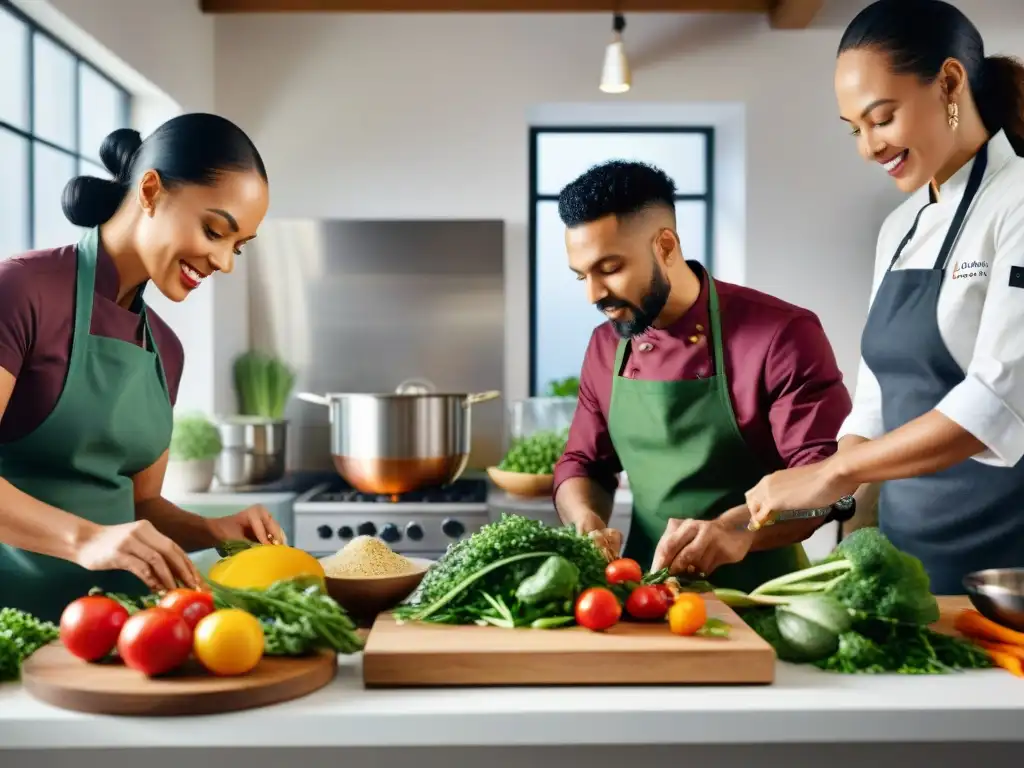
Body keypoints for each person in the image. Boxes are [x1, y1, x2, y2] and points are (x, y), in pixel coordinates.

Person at [745, 0, 1024, 595]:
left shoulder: (1018, 201)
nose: (868, 147)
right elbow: (873, 400)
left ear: (949, 82)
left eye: (882, 117)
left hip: (1006, 571)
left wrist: (830, 472)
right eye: (855, 129)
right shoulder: (900, 227)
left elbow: (997, 404)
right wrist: (833, 503)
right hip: (905, 560)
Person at [0, 113, 284, 621]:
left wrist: (211, 529)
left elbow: (142, 506)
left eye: (237, 246)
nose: (224, 262)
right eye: (216, 230)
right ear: (151, 190)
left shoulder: (166, 350)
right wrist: (86, 541)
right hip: (13, 629)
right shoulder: (20, 292)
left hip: (122, 633)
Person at [552, 159, 854, 593]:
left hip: (765, 599)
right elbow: (584, 463)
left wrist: (738, 529)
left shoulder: (782, 335)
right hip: (646, 597)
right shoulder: (605, 346)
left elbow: (827, 480)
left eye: (610, 268)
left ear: (666, 245)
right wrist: (585, 520)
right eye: (583, 276)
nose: (594, 294)